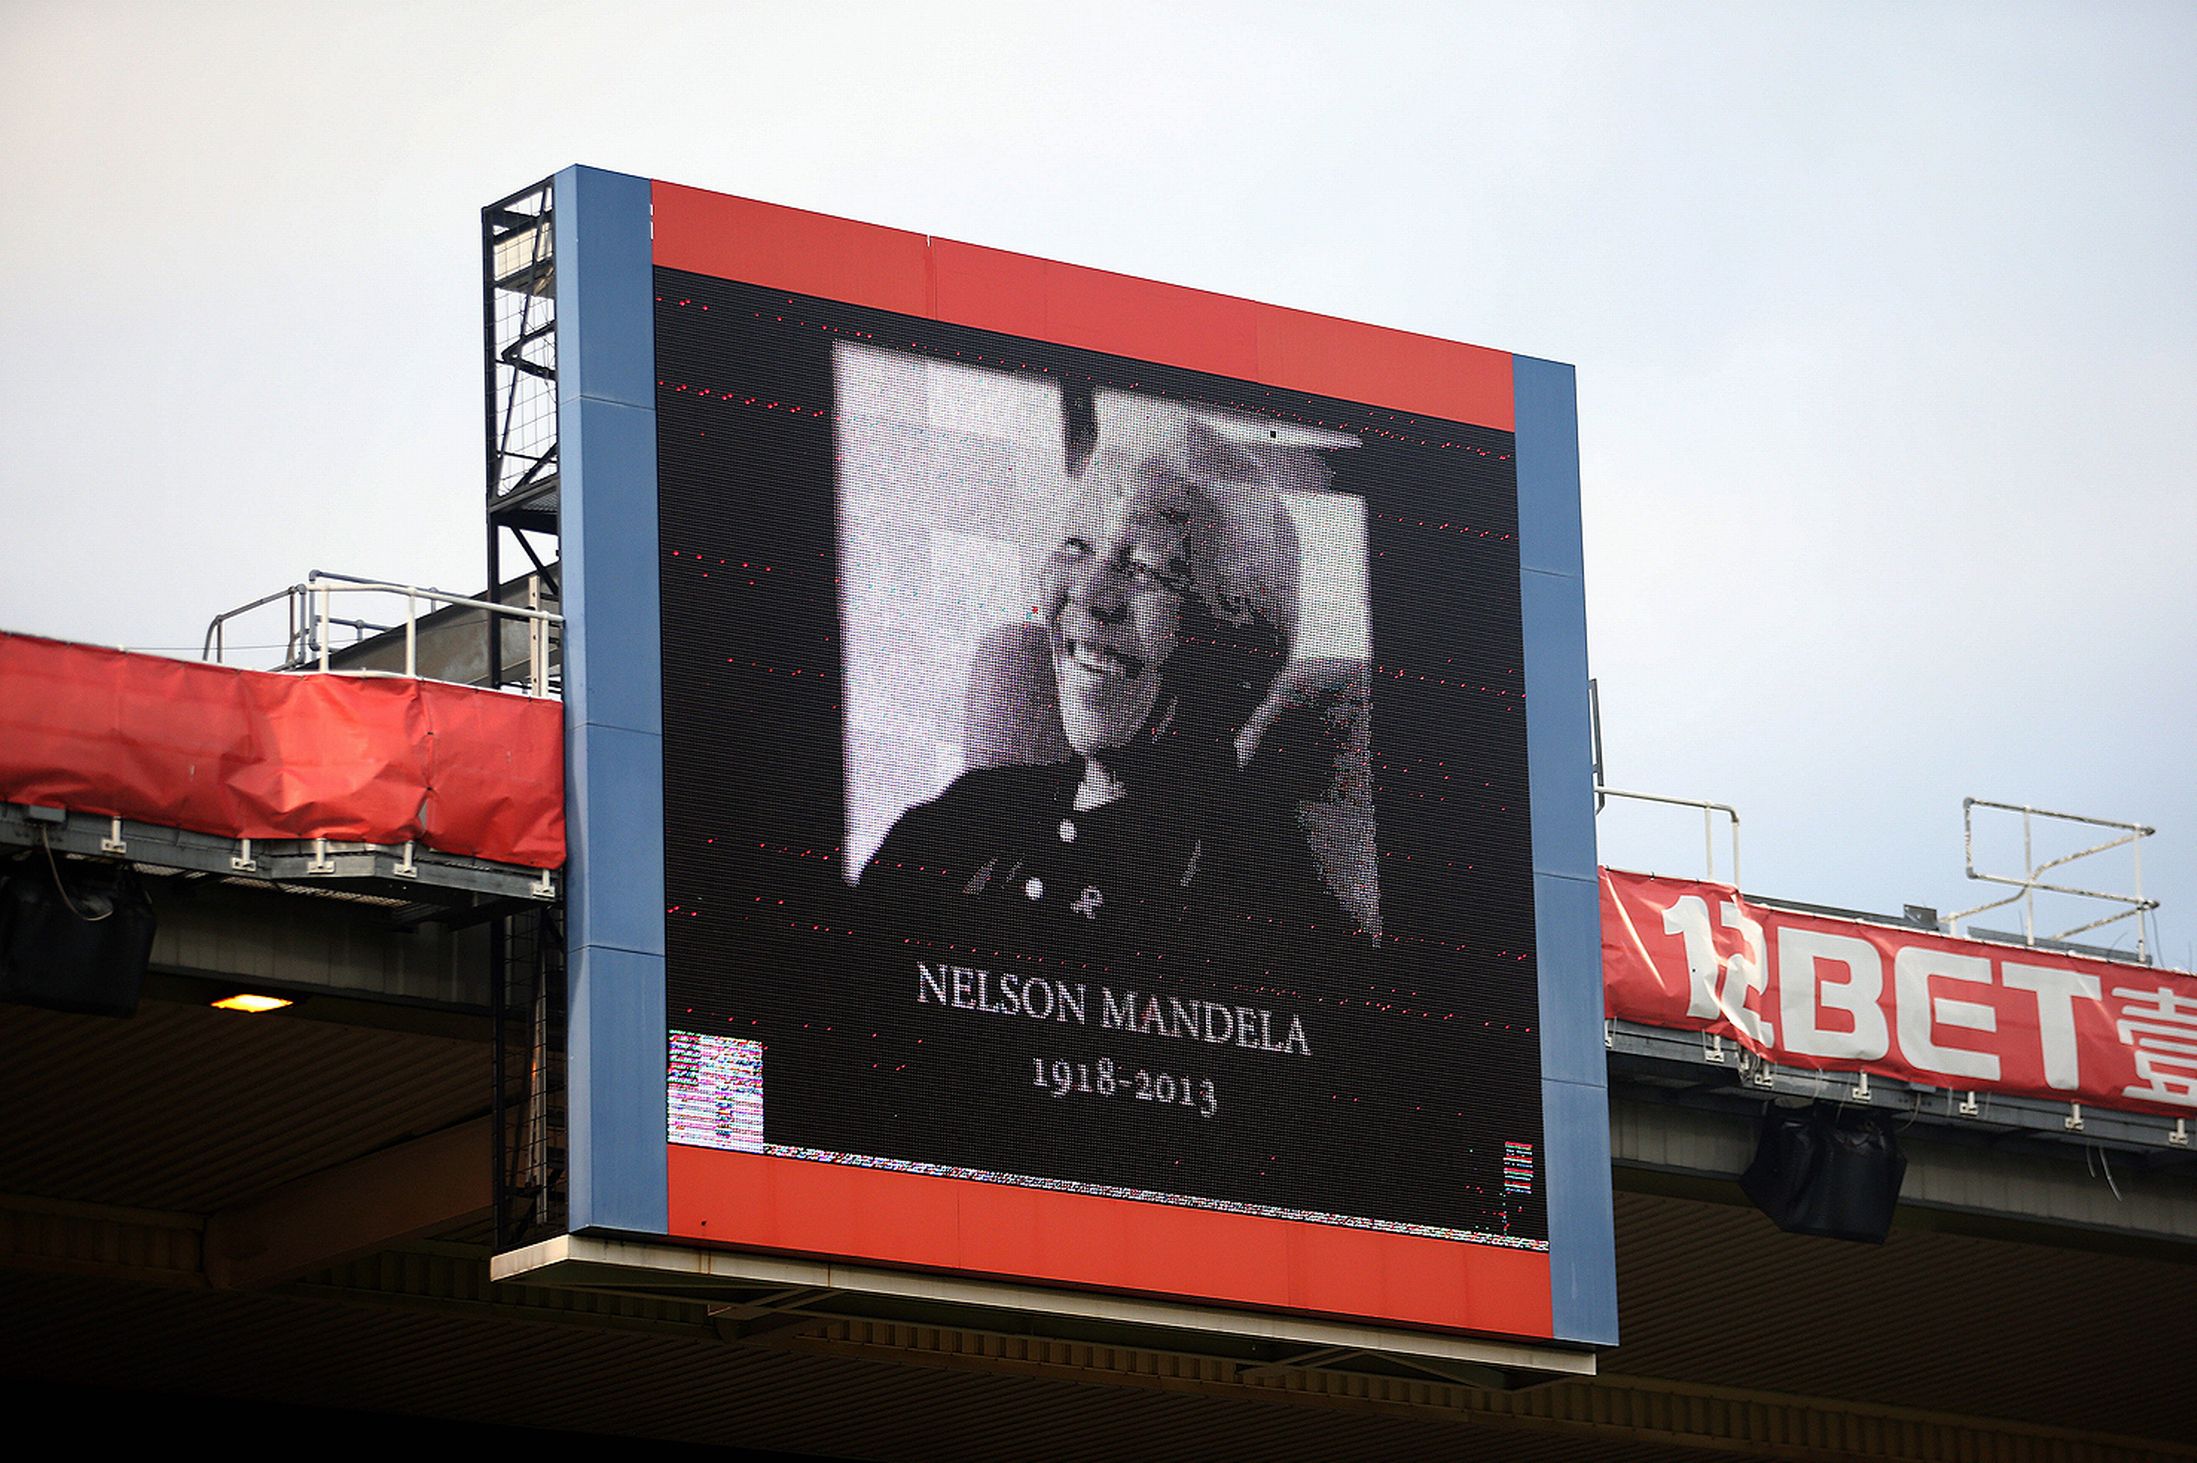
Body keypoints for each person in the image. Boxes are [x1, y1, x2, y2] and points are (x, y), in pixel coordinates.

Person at [855, 402, 1360, 981]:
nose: (1090, 595)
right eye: (1077, 548)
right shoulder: (968, 813)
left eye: (1148, 570)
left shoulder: (1264, 900)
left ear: (1232, 650)